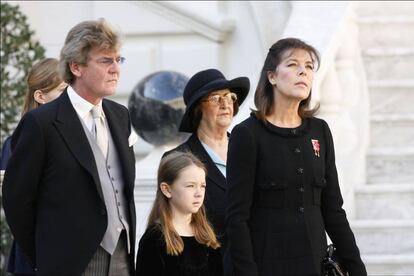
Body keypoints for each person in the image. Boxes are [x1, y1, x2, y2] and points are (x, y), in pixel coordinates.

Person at [2, 18, 137, 275]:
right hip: (68, 264)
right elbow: (17, 200)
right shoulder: (41, 124)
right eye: (105, 60)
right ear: (76, 67)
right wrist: (46, 257)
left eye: (118, 60)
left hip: (122, 259)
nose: (115, 69)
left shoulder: (121, 116)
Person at [225, 38, 367, 276]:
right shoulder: (247, 134)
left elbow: (333, 210)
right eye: (293, 64)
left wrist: (356, 268)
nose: (303, 71)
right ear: (272, 76)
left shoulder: (319, 131)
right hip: (266, 263)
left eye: (309, 66)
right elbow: (237, 218)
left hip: (315, 262)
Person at [163, 68, 250, 275]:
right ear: (197, 108)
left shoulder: (249, 149)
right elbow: (170, 223)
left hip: (253, 264)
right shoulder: (179, 158)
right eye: (215, 98)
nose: (226, 103)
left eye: (230, 97)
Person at [0, 57, 67, 275]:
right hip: (38, 255)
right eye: (62, 90)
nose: (69, 98)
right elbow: (17, 205)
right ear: (40, 96)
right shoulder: (16, 142)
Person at [136, 151, 223, 276]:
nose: (199, 193)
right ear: (167, 189)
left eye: (202, 186)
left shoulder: (206, 235)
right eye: (190, 186)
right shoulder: (154, 239)